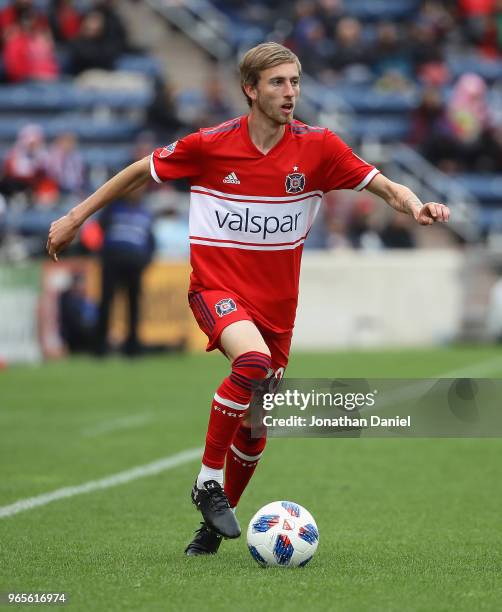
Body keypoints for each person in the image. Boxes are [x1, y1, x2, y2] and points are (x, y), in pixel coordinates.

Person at [46, 42, 450, 556]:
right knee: (252, 362)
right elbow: (136, 172)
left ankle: (211, 532)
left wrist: (416, 206)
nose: (290, 92)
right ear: (250, 89)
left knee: (257, 428)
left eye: (295, 82)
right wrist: (75, 218)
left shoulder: (319, 148)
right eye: (278, 82)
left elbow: (386, 186)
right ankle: (206, 481)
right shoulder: (210, 144)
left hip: (277, 309)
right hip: (216, 290)